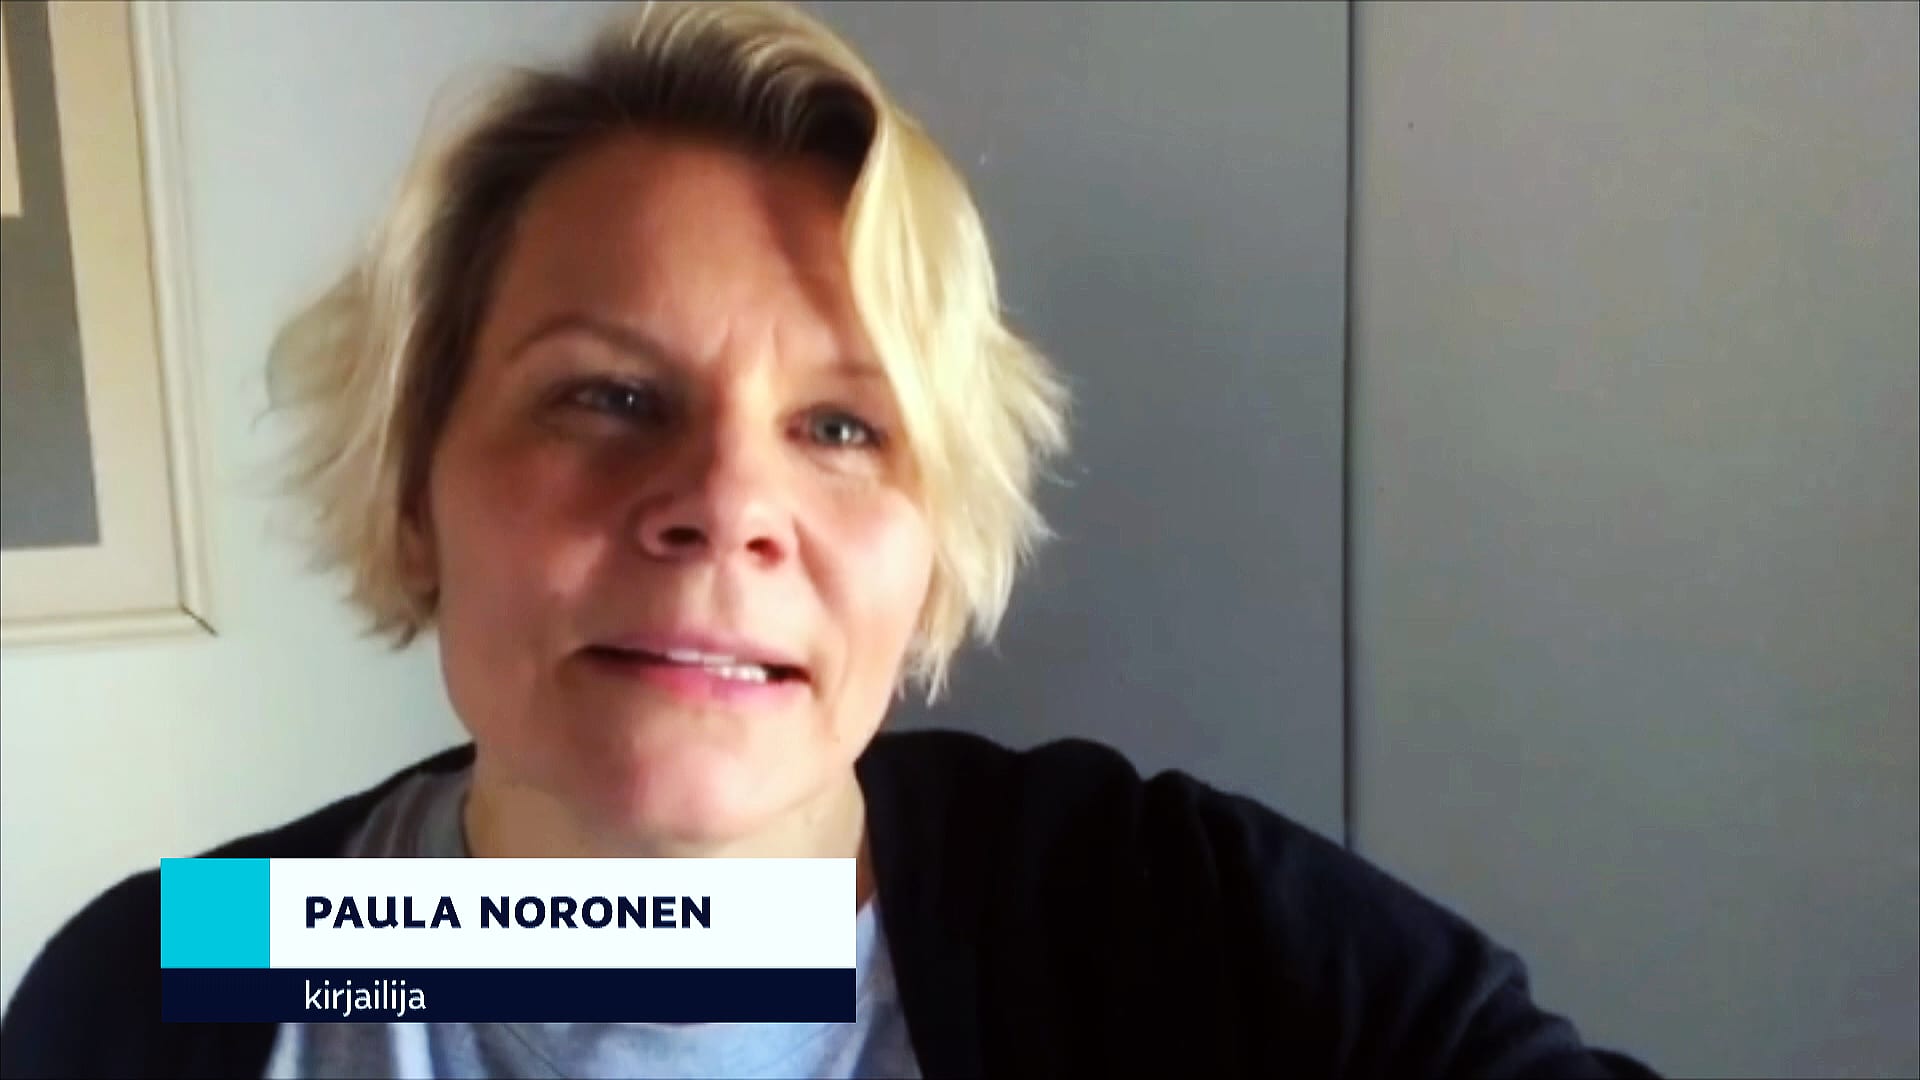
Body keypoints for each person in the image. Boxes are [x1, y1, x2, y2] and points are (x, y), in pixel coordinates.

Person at [1, 2, 1658, 1077]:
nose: (729, 502)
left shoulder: (1155, 920)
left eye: (845, 428)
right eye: (606, 396)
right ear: (412, 488)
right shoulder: (189, 970)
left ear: (933, 547)